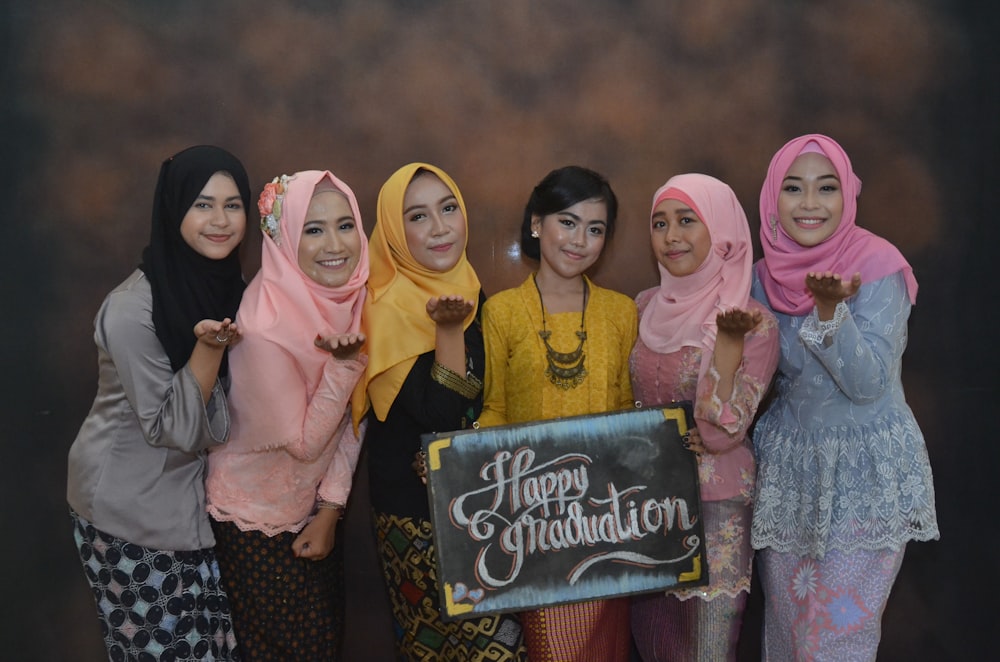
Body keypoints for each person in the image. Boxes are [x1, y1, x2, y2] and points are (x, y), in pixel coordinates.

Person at [750, 134, 939, 660]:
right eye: (793, 188)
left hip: (862, 470)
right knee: (788, 633)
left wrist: (832, 311)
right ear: (772, 198)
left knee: (834, 640)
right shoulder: (762, 277)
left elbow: (869, 383)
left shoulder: (878, 265)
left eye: (826, 188)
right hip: (791, 470)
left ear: (848, 194)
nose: (809, 203)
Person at [67, 145, 250, 661]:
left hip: (181, 501)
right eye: (202, 204)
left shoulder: (226, 290)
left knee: (206, 647)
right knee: (166, 650)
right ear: (173, 211)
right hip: (127, 506)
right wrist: (208, 349)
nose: (219, 220)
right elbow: (172, 427)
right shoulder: (131, 309)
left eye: (233, 205)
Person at [356, 163, 527, 661]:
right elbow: (441, 416)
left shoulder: (472, 288)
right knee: (439, 650)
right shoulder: (384, 309)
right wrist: (448, 331)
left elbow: (491, 397)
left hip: (481, 505)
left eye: (448, 208)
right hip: (417, 521)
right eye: (418, 216)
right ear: (393, 231)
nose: (440, 227)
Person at [206, 170, 369, 660]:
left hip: (312, 509)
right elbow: (306, 441)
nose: (335, 245)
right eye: (312, 230)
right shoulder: (263, 327)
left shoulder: (353, 300)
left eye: (345, 225)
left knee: (322, 643)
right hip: (255, 521)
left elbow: (355, 418)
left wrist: (330, 510)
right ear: (282, 241)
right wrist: (344, 369)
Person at [478, 165, 636, 662]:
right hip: (534, 523)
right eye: (567, 222)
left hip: (606, 521)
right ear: (535, 225)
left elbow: (628, 407)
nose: (580, 240)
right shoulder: (502, 312)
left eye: (595, 229)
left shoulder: (621, 311)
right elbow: (495, 408)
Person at [628, 174, 779, 661]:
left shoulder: (752, 321)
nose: (671, 236)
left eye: (687, 220)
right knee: (657, 646)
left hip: (715, 508)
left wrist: (728, 343)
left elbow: (720, 429)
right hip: (644, 505)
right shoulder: (645, 306)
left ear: (721, 229)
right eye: (660, 223)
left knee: (706, 653)